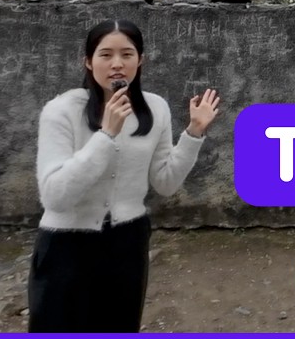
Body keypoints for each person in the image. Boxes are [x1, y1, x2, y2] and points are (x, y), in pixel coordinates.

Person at [29, 19, 220, 333]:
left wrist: (194, 132)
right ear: (88, 61)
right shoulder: (61, 110)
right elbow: (55, 196)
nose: (117, 64)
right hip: (66, 245)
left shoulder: (155, 109)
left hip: (128, 242)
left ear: (140, 60)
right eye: (105, 55)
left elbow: (165, 182)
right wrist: (106, 135)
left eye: (127, 54)